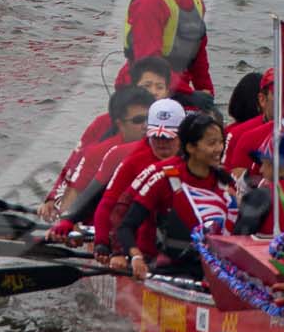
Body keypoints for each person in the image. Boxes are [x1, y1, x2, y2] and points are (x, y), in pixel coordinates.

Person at [57, 96, 187, 258]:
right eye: (156, 136)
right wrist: (102, 244)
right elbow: (105, 204)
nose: (162, 143)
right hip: (140, 242)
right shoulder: (128, 158)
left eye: (168, 137)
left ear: (183, 135)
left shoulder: (197, 157)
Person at [111, 111, 234, 280]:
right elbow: (126, 227)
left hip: (217, 270)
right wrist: (135, 257)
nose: (219, 149)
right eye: (212, 143)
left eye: (221, 142)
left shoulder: (226, 182)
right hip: (174, 270)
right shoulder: (165, 179)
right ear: (190, 147)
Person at [38, 85, 155, 221]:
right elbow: (68, 205)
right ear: (120, 124)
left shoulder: (166, 145)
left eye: (150, 118)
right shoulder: (98, 154)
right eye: (138, 120)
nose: (146, 125)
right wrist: (53, 203)